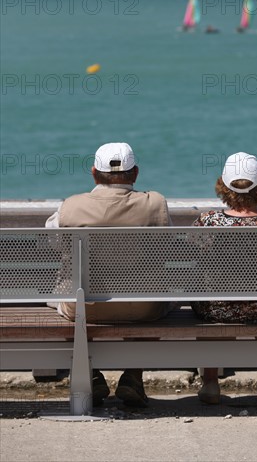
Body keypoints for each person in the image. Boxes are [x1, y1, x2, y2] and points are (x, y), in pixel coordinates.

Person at [46, 142, 174, 407]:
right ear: (135, 173)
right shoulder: (155, 204)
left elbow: (53, 242)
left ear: (94, 173)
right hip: (144, 307)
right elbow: (166, 246)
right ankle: (133, 376)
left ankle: (91, 374)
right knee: (159, 295)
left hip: (84, 308)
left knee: (67, 294)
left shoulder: (71, 207)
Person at [191, 152, 257, 404]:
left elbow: (191, 257)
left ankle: (210, 383)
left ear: (223, 185)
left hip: (217, 308)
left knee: (215, 298)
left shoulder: (208, 221)